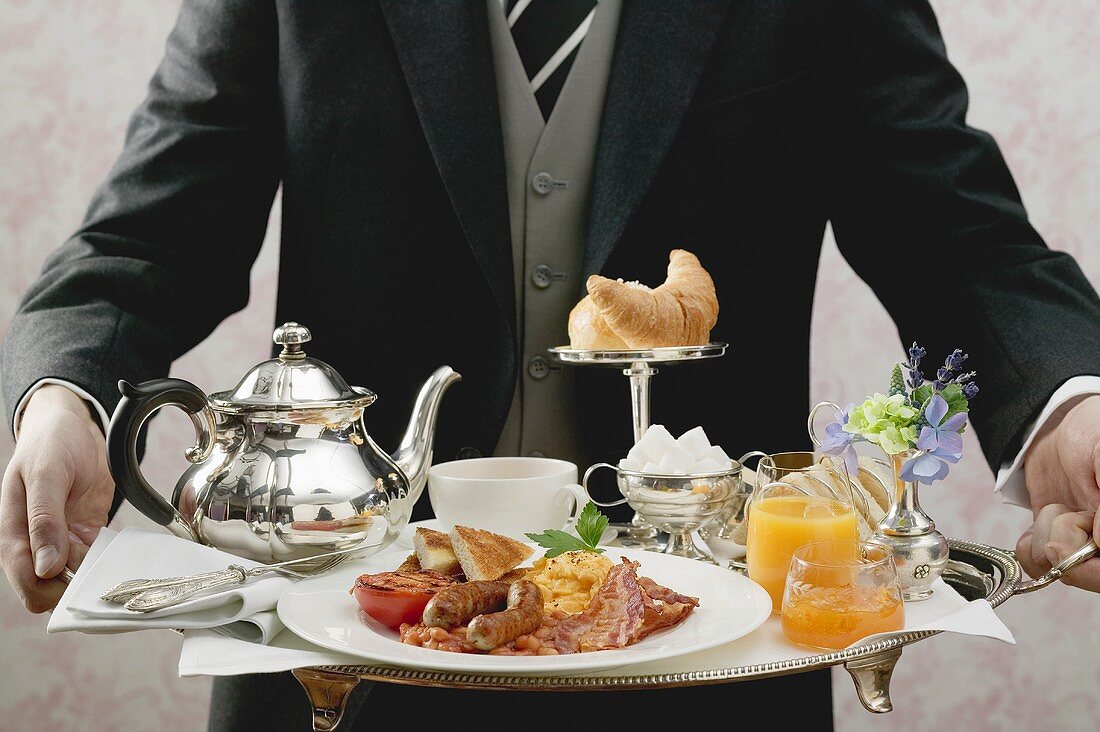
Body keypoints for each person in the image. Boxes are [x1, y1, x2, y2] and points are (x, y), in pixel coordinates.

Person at [3, 1, 1099, 729]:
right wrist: (60, 394)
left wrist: (1066, 406)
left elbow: (959, 239)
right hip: (347, 659)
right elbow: (144, 240)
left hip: (709, 666)